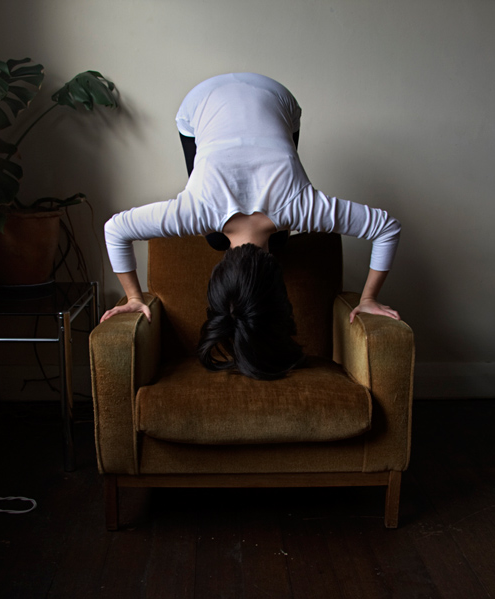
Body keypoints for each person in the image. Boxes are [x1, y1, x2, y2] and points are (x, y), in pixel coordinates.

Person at [101, 73, 401, 379]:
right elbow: (114, 230)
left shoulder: (298, 208)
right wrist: (134, 298)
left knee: (224, 239)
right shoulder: (197, 212)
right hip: (239, 97)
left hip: (262, 98)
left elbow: (388, 228)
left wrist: (369, 299)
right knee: (221, 239)